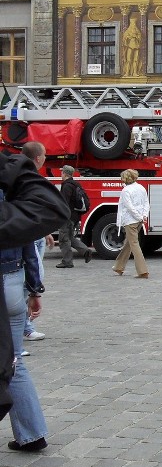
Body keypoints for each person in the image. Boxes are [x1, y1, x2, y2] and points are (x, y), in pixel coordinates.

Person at [0, 152, 69, 431]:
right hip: (13, 279)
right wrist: (35, 288)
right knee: (14, 359)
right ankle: (32, 432)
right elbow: (30, 243)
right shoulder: (11, 197)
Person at [20, 143, 52, 345]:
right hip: (28, 237)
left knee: (31, 278)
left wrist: (45, 231)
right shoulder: (27, 179)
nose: (47, 158)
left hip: (35, 235)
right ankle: (23, 328)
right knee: (26, 282)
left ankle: (23, 327)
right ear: (38, 158)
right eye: (45, 155)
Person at [113, 169, 150, 279]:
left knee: (133, 244)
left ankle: (143, 271)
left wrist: (139, 217)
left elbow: (129, 207)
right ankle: (118, 267)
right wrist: (144, 216)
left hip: (130, 220)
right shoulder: (141, 188)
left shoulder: (126, 190)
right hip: (138, 220)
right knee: (128, 243)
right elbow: (146, 203)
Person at [56, 166, 95, 268]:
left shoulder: (67, 186)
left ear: (65, 173)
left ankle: (67, 261)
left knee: (64, 239)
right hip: (75, 216)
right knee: (69, 237)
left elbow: (64, 202)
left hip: (67, 216)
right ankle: (86, 251)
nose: (61, 174)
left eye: (62, 172)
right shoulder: (75, 184)